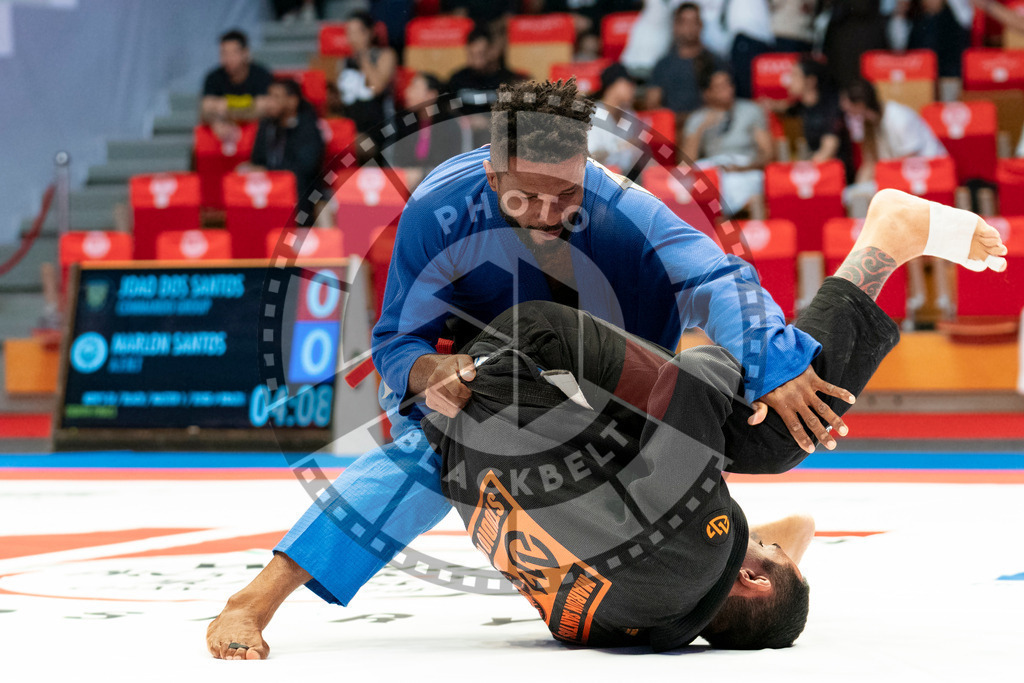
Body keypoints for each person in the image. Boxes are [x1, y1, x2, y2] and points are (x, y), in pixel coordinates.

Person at [206, 77, 883, 659]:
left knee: (776, 424)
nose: (550, 212)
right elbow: (397, 343)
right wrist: (425, 377)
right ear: (492, 172)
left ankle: (881, 247)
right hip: (503, 378)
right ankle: (256, 598)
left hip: (625, 367)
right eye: (525, 196)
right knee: (428, 448)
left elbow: (714, 274)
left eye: (566, 192)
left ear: (586, 163)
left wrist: (778, 363)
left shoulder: (619, 205)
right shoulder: (437, 212)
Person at [424, 183, 1006, 649]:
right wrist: (759, 548)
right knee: (681, 474)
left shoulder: (700, 555)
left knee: (773, 435)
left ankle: (886, 241)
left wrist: (778, 379)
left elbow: (697, 375)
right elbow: (781, 536)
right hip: (450, 421)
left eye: (766, 557)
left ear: (750, 584)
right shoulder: (620, 628)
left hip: (526, 352)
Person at [683, 64, 774, 215]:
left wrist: (743, 168)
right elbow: (686, 163)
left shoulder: (751, 110)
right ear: (707, 93)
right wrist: (701, 129)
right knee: (700, 181)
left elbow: (768, 154)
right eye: (719, 87)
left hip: (745, 167)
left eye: (728, 84)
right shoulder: (697, 118)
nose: (727, 91)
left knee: (739, 182)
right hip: (714, 168)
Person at [839, 78, 947, 184]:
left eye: (848, 110)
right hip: (897, 175)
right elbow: (870, 164)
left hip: (929, 172)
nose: (847, 114)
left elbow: (908, 158)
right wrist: (857, 190)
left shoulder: (899, 117)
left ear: (860, 105)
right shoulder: (867, 124)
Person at [242, 79, 325, 201]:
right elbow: (257, 160)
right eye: (269, 96)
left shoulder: (308, 126)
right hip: (270, 190)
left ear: (293, 101)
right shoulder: (266, 125)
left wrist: (267, 170)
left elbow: (304, 168)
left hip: (302, 195)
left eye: (276, 97)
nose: (270, 102)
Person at [386, 73, 471, 185]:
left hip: (441, 184)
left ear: (431, 95)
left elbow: (452, 164)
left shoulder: (449, 124)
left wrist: (422, 174)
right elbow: (397, 158)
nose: (408, 92)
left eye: (415, 87)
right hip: (408, 183)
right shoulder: (405, 121)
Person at [646, 3, 728, 118]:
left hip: (706, 125)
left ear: (701, 25)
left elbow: (724, 99)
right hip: (672, 127)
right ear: (676, 26)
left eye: (694, 22)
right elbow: (652, 103)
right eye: (684, 22)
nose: (689, 27)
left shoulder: (715, 61)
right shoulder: (663, 64)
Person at [783, 56, 854, 181]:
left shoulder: (831, 107)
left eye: (795, 75)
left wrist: (799, 170)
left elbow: (828, 149)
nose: (789, 80)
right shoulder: (801, 106)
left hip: (834, 174)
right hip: (814, 169)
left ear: (810, 81)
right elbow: (780, 107)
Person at [200, 30, 274, 144]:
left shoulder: (261, 74)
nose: (228, 58)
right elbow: (206, 108)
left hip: (257, 137)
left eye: (234, 53)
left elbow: (265, 107)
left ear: (246, 53)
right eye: (224, 53)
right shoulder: (213, 77)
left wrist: (223, 108)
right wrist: (250, 109)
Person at [336, 11, 397, 134]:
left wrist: (363, 56)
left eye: (358, 32)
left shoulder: (385, 54)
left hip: (377, 127)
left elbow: (377, 87)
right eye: (349, 32)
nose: (353, 37)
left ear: (370, 32)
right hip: (351, 125)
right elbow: (341, 97)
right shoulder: (343, 61)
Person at [588, 64, 643, 173]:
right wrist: (619, 147)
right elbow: (589, 159)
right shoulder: (591, 114)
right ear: (612, 86)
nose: (633, 89)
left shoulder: (630, 116)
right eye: (629, 84)